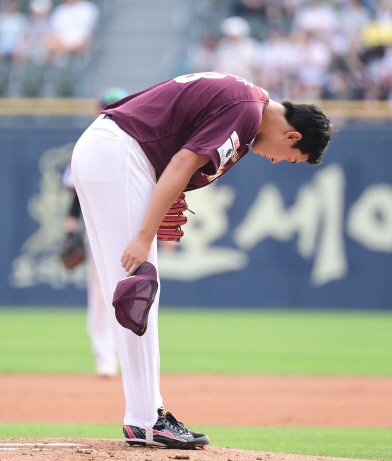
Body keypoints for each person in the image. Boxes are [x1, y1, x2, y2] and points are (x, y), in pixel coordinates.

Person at [70, 71, 331, 449]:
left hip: (106, 148)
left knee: (128, 290)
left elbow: (169, 133)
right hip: (119, 156)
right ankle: (146, 420)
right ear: (293, 136)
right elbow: (180, 163)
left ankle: (145, 414)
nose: (278, 161)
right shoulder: (247, 111)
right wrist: (144, 235)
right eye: (291, 157)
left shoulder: (247, 102)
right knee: (138, 289)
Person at [61, 88, 130, 377]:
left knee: (137, 294)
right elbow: (77, 193)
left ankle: (134, 361)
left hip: (133, 229)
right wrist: (70, 229)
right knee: (100, 295)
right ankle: (105, 359)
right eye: (106, 106)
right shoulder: (87, 146)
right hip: (98, 230)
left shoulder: (138, 143)